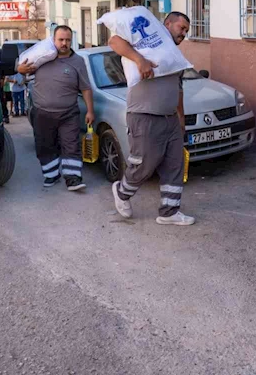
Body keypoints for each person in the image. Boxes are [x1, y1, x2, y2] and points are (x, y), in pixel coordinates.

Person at [109, 11, 195, 226]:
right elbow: (114, 41)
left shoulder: (172, 56)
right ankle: (122, 192)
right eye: (181, 27)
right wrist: (140, 60)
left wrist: (181, 120)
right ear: (167, 23)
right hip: (144, 116)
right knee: (144, 165)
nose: (183, 33)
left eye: (186, 31)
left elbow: (178, 90)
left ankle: (169, 212)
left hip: (170, 119)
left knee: (174, 165)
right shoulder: (144, 44)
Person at [18, 26, 94, 192]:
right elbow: (22, 72)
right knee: (45, 146)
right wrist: (19, 69)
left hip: (69, 113)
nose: (64, 43)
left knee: (71, 145)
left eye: (67, 40)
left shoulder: (78, 61)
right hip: (42, 113)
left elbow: (86, 88)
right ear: (54, 40)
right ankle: (51, 174)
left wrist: (90, 110)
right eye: (61, 40)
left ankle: (73, 179)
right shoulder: (41, 58)